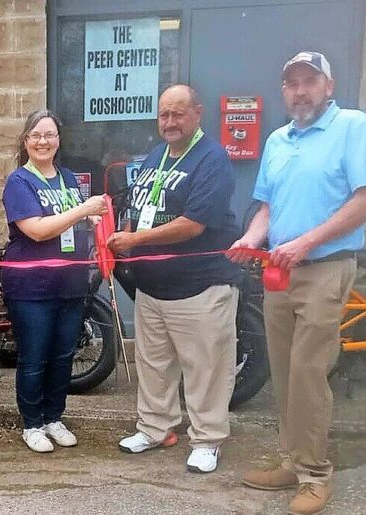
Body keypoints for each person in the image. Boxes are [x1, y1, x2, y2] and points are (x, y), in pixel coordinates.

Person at [229, 51, 366, 515]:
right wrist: (251, 239)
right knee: (283, 370)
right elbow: (267, 207)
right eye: (292, 83)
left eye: (309, 82)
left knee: (307, 373)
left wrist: (304, 243)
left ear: (328, 86)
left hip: (325, 268)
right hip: (281, 272)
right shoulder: (278, 140)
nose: (300, 91)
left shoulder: (354, 127)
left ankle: (316, 474)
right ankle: (291, 460)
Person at [107, 85, 242, 473]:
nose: (169, 122)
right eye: (164, 115)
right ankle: (155, 428)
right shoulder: (158, 155)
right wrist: (126, 233)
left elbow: (193, 224)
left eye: (178, 114)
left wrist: (135, 240)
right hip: (153, 287)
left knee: (206, 369)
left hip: (200, 285)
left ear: (197, 113)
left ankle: (207, 440)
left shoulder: (212, 159)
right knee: (153, 365)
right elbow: (141, 206)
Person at [1, 109, 107, 453]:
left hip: (70, 282)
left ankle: (53, 418)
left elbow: (72, 221)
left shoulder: (69, 178)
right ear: (26, 141)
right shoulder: (19, 181)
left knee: (63, 355)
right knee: (34, 357)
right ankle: (32, 423)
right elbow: (36, 229)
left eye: (49, 135)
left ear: (59, 140)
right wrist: (83, 210)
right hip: (31, 287)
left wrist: (93, 221)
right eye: (36, 135)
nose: (43, 141)